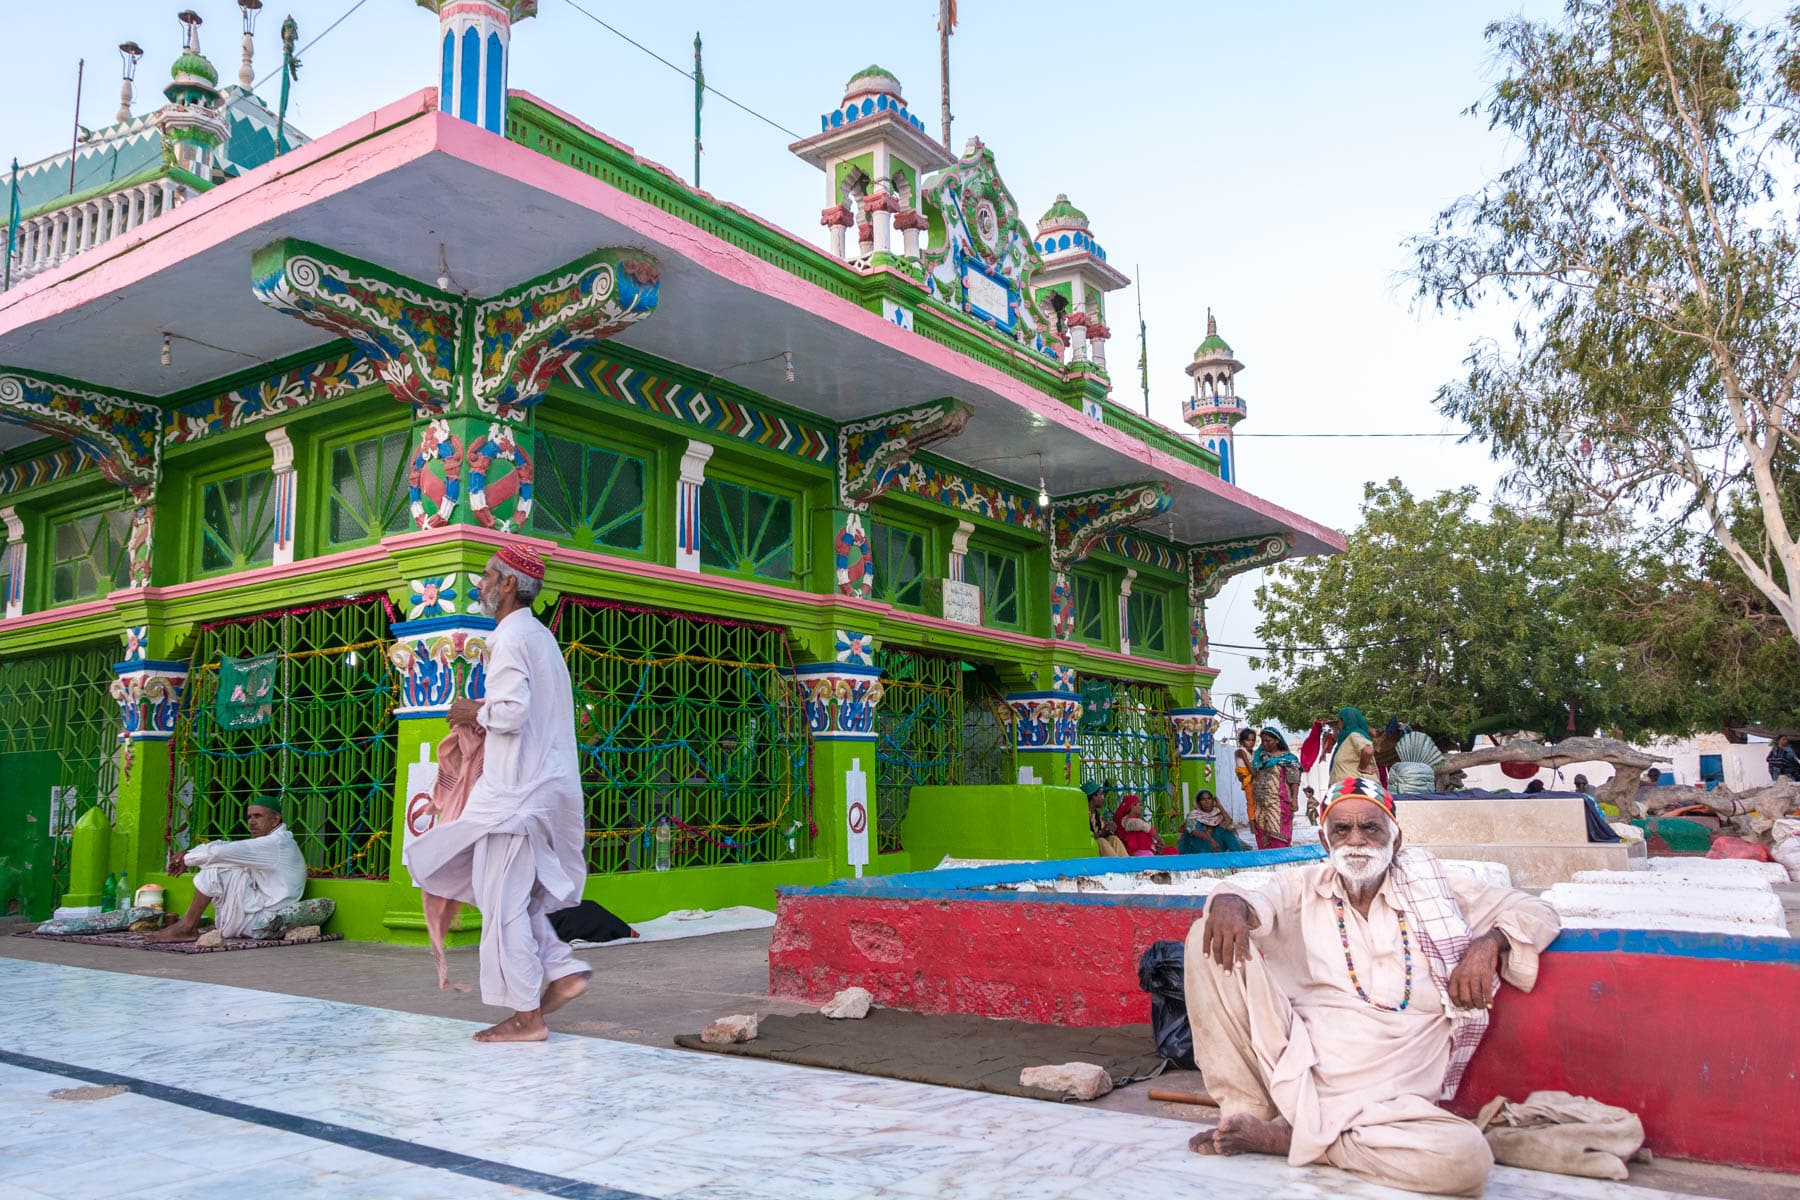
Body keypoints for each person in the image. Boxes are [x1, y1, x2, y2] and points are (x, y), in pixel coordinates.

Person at [1184, 778, 1560, 1197]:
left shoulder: (1437, 890)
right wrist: (1229, 902)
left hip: (1391, 1097)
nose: (1356, 841)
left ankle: (1300, 1139)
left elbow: (1536, 910)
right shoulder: (1304, 887)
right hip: (1301, 1062)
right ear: (1326, 841)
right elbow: (1253, 899)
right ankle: (1252, 1112)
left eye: (1370, 828)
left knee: (1464, 1161)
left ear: (1395, 840)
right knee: (1207, 933)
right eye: (1341, 830)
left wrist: (1487, 944)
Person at [403, 543, 592, 1043]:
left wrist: (473, 712)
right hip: (541, 791)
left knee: (502, 903)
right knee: (519, 902)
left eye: (488, 576)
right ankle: (562, 969)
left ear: (509, 585)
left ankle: (527, 1018)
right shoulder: (542, 639)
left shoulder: (510, 639)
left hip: (515, 797)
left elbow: (511, 714)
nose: (481, 584)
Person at [147, 801, 306, 942]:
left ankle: (187, 926)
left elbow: (219, 853)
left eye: (258, 816)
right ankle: (187, 926)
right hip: (257, 912)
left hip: (265, 920)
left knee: (215, 869)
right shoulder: (272, 842)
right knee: (225, 862)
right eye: (249, 817)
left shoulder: (276, 844)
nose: (251, 822)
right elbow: (223, 846)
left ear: (274, 820)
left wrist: (187, 859)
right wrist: (189, 854)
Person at [1248, 729, 1302, 849]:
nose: (1265, 744)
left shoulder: (1288, 758)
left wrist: (1294, 800)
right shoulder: (1260, 758)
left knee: (1278, 833)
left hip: (1279, 803)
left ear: (1277, 740)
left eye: (1268, 741)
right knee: (1262, 833)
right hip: (1260, 804)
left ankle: (1282, 863)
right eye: (1263, 741)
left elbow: (1294, 780)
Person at [1179, 791, 1246, 854]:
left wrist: (1220, 806)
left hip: (1214, 848)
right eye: (1203, 799)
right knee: (1198, 828)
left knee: (1225, 829)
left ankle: (1238, 854)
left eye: (1209, 798)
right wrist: (1211, 841)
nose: (1207, 801)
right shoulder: (1193, 815)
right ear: (1198, 802)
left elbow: (1230, 824)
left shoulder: (1217, 814)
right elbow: (1192, 829)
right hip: (1196, 849)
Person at [1327, 707, 1377, 785]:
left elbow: (1367, 750)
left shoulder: (1354, 734)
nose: (1338, 723)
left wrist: (1362, 768)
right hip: (1347, 785)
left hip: (1354, 784)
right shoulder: (1346, 738)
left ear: (1344, 720)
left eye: (1339, 720)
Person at [1085, 782, 1126, 857]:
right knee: (1101, 841)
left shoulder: (1097, 816)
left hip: (1099, 843)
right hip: (1089, 847)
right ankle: (1116, 865)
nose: (1103, 798)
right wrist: (1102, 833)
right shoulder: (1083, 815)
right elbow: (1086, 838)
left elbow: (1102, 832)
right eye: (1101, 794)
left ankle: (1126, 864)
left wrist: (1109, 829)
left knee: (1113, 839)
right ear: (1093, 797)